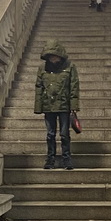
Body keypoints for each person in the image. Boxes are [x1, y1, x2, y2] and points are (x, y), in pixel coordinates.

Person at [34, 40, 80, 170]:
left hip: (64, 105)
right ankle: (50, 159)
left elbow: (74, 86)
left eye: (55, 55)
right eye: (50, 56)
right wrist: (38, 107)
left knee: (64, 134)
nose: (53, 58)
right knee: (50, 134)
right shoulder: (42, 68)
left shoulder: (70, 66)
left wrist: (74, 105)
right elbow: (39, 87)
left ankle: (67, 159)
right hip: (49, 105)